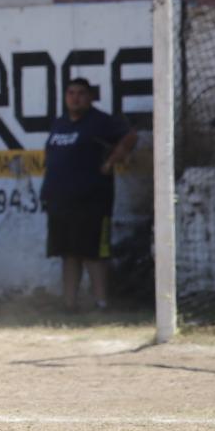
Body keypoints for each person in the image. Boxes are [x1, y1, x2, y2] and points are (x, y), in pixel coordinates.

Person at [41, 77, 137, 311]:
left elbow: (130, 136)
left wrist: (113, 159)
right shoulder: (60, 123)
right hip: (60, 199)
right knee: (68, 254)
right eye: (70, 93)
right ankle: (69, 304)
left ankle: (101, 303)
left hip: (92, 198)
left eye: (81, 93)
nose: (75, 98)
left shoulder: (100, 121)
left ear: (90, 97)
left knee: (94, 253)